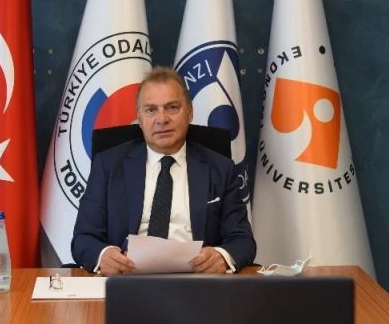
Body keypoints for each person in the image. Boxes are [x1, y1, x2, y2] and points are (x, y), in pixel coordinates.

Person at [71, 66, 256, 275]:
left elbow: (242, 240)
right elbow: (83, 238)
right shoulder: (108, 165)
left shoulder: (220, 168)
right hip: (127, 279)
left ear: (190, 112)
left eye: (172, 107)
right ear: (139, 118)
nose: (162, 119)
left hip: (197, 281)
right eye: (151, 110)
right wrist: (103, 255)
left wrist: (221, 256)